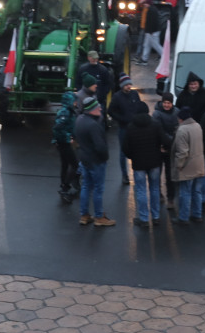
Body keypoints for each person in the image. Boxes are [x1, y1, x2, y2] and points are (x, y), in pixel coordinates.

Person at [124, 112, 172, 227]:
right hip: (155, 162)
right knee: (154, 189)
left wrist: (132, 156)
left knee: (141, 190)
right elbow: (167, 141)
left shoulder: (130, 127)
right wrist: (163, 150)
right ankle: (156, 217)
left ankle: (144, 218)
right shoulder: (155, 125)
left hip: (138, 163)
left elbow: (125, 147)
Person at [72, 97, 115, 227]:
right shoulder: (93, 125)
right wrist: (105, 157)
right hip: (96, 161)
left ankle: (84, 215)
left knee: (86, 186)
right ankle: (98, 216)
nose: (101, 108)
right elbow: (100, 147)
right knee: (98, 189)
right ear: (91, 110)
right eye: (98, 107)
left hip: (84, 159)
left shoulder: (79, 119)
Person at [171, 107, 205, 225]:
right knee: (197, 191)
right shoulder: (197, 126)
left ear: (180, 119)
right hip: (199, 164)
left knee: (185, 192)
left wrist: (179, 165)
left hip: (188, 166)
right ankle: (197, 214)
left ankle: (183, 217)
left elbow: (182, 152)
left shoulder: (182, 130)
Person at [107, 73, 143, 184]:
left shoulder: (134, 94)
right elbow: (110, 111)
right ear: (122, 85)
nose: (129, 86)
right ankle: (124, 175)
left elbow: (139, 106)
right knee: (123, 153)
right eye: (127, 84)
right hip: (124, 128)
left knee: (136, 151)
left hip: (135, 128)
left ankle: (137, 173)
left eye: (130, 84)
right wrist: (121, 119)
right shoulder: (117, 97)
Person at [153, 92, 180, 210]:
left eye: (168, 103)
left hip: (169, 148)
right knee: (157, 174)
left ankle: (170, 198)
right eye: (165, 102)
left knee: (170, 176)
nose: (166, 105)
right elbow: (158, 131)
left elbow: (177, 130)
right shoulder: (157, 114)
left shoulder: (176, 113)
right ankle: (160, 194)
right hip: (161, 148)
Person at [51, 91, 80, 203]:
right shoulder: (66, 113)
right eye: (75, 101)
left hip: (62, 142)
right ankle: (65, 188)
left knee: (65, 164)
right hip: (64, 143)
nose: (76, 103)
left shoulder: (68, 112)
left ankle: (64, 186)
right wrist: (68, 137)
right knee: (74, 165)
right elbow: (58, 128)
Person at [136, 0, 163, 65]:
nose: (144, 4)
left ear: (148, 3)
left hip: (151, 32)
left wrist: (150, 31)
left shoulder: (151, 10)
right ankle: (144, 59)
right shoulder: (152, 9)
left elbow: (151, 22)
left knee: (155, 45)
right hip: (151, 31)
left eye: (145, 3)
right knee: (147, 45)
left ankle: (165, 57)